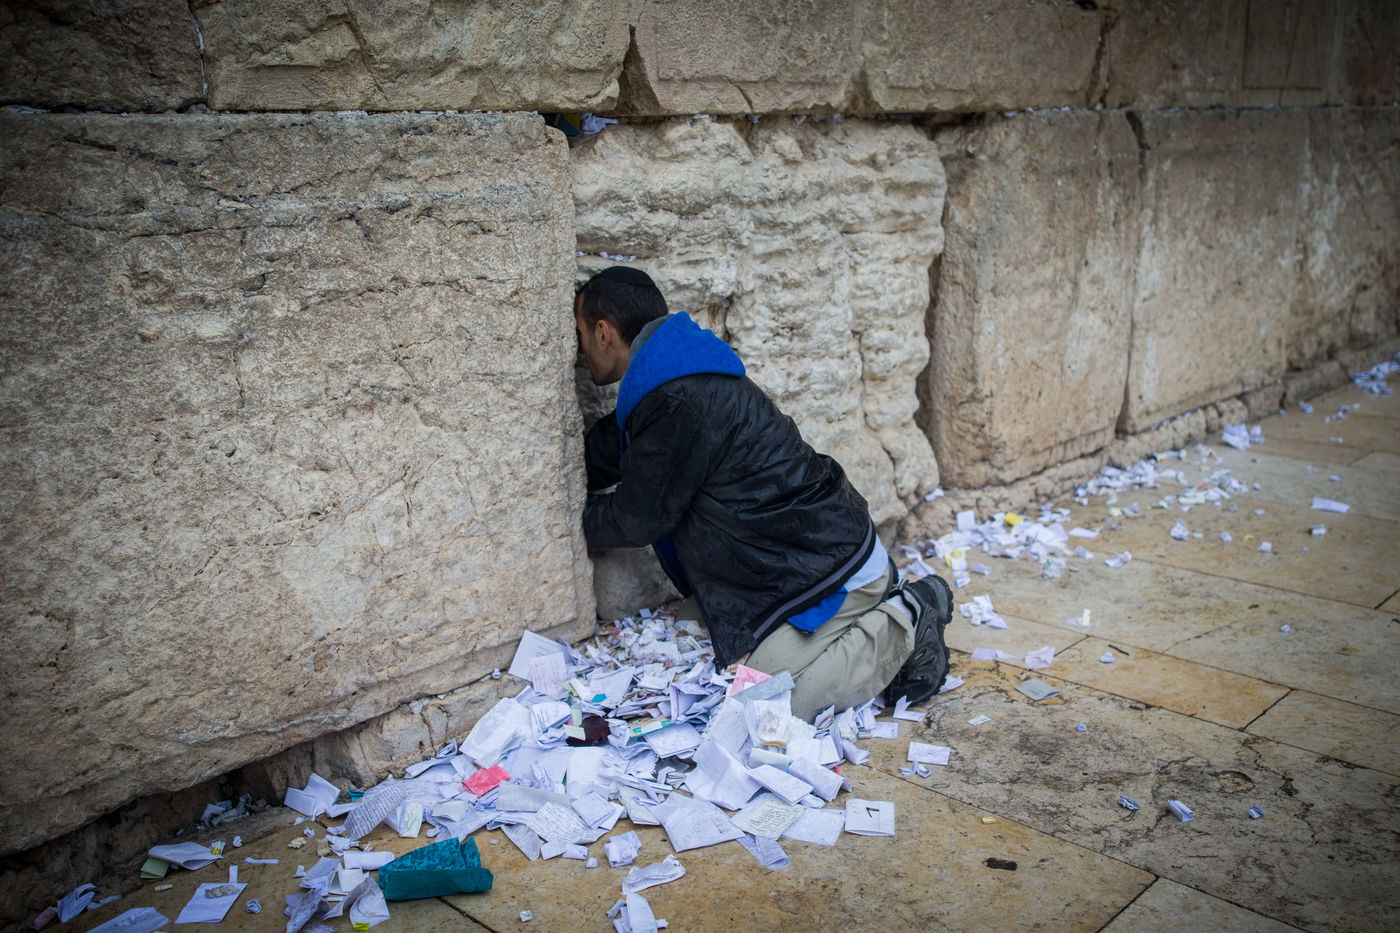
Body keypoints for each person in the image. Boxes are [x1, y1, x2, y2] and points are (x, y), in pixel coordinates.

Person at [574, 266, 952, 722]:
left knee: (776, 704)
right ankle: (871, 609)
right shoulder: (674, 378)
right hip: (808, 560)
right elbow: (617, 449)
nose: (578, 350)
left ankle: (911, 612)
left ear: (603, 332)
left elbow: (637, 519)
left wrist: (564, 518)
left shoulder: (677, 397)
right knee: (738, 662)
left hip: (827, 569)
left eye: (578, 335)